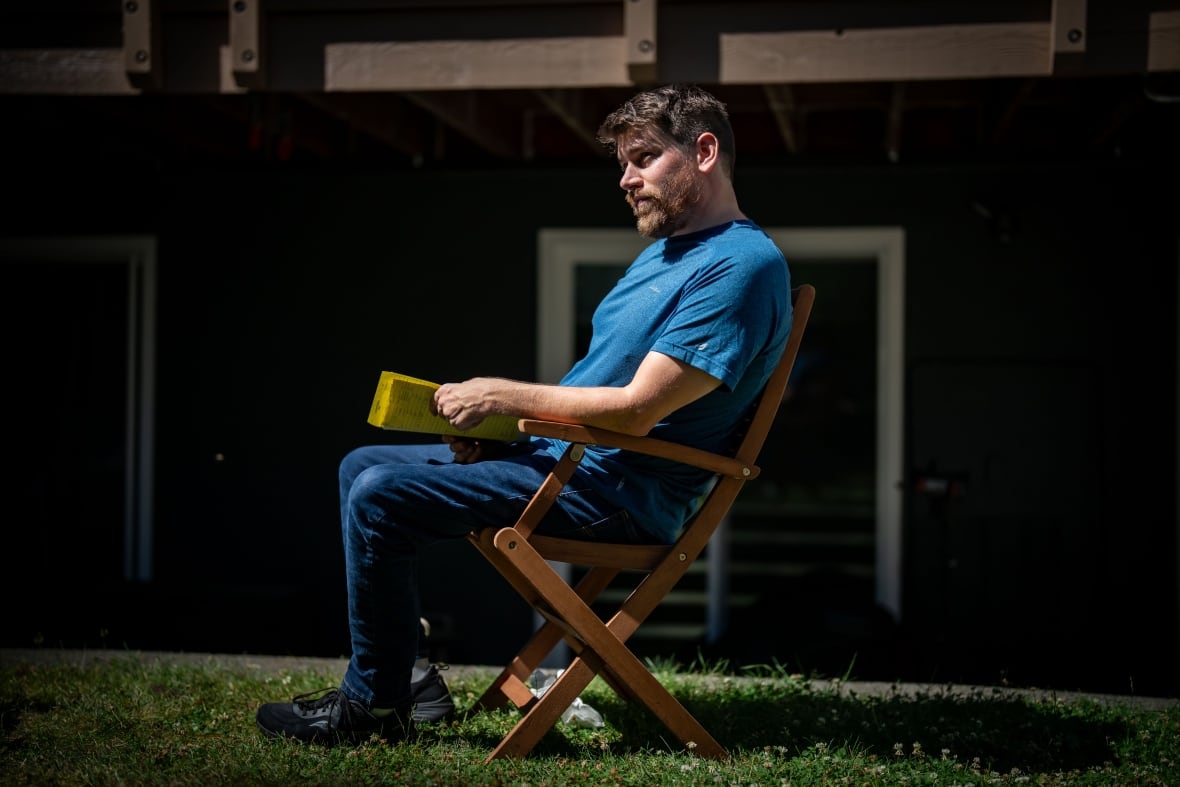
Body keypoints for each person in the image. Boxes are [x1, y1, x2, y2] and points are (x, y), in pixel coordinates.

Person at [255, 83, 794, 744]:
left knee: (379, 492)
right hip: (565, 461)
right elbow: (600, 389)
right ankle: (408, 677)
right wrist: (503, 435)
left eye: (645, 158)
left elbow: (635, 411)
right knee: (362, 464)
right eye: (623, 162)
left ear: (704, 151)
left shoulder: (742, 266)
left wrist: (503, 399)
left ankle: (372, 705)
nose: (626, 178)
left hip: (618, 493)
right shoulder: (666, 253)